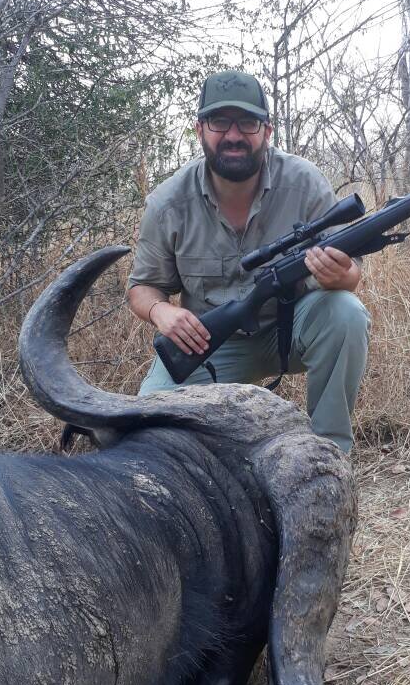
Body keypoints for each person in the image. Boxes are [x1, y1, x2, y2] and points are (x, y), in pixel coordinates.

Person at [127, 70, 370, 452]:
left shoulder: (305, 181)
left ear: (267, 131)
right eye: (219, 122)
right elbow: (141, 288)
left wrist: (339, 275)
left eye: (248, 123)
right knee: (143, 429)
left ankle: (331, 452)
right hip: (210, 344)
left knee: (346, 312)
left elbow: (351, 274)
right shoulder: (168, 201)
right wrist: (161, 313)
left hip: (290, 331)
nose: (234, 135)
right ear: (199, 130)